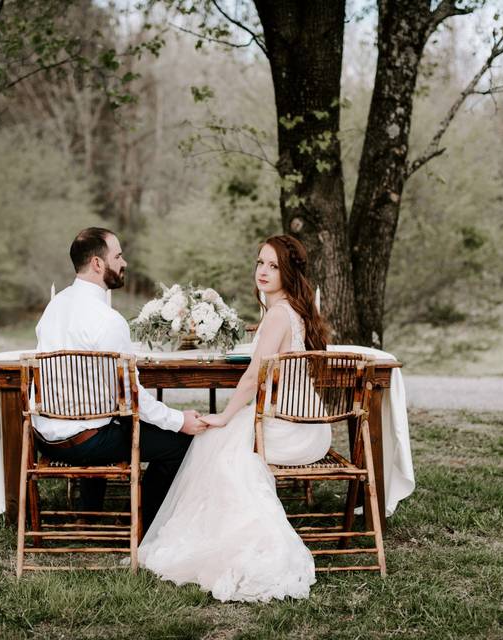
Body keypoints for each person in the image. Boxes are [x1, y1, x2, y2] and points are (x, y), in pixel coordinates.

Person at [138, 234, 332, 602]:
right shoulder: (294, 308)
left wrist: (225, 415)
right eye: (260, 262)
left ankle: (225, 539)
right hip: (310, 427)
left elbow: (251, 378)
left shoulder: (278, 313)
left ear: (289, 272)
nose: (263, 271)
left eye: (274, 266)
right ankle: (212, 530)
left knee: (215, 440)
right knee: (221, 437)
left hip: (291, 429)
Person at [32, 227, 208, 533]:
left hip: (44, 437)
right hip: (82, 440)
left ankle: (90, 515)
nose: (124, 262)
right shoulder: (107, 321)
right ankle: (142, 524)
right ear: (99, 264)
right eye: (118, 256)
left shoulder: (54, 306)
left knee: (110, 419)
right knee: (181, 443)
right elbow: (133, 398)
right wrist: (180, 421)